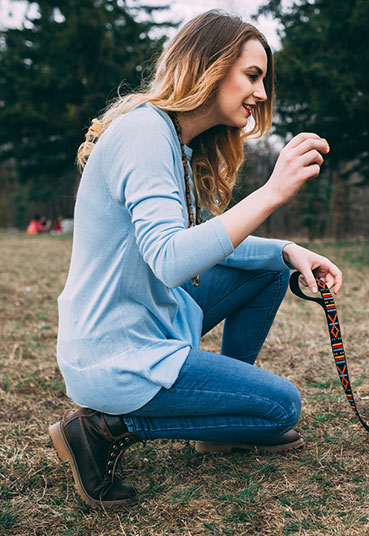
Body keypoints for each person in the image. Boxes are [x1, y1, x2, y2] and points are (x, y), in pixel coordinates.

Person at [48, 10, 342, 509]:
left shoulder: (176, 143)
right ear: (208, 67)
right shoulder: (145, 135)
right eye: (253, 76)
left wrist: (289, 252)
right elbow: (170, 260)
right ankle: (101, 429)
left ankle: (220, 423)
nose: (262, 94)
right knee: (281, 408)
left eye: (263, 80)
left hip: (147, 322)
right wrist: (271, 193)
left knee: (271, 268)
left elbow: (207, 240)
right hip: (116, 352)